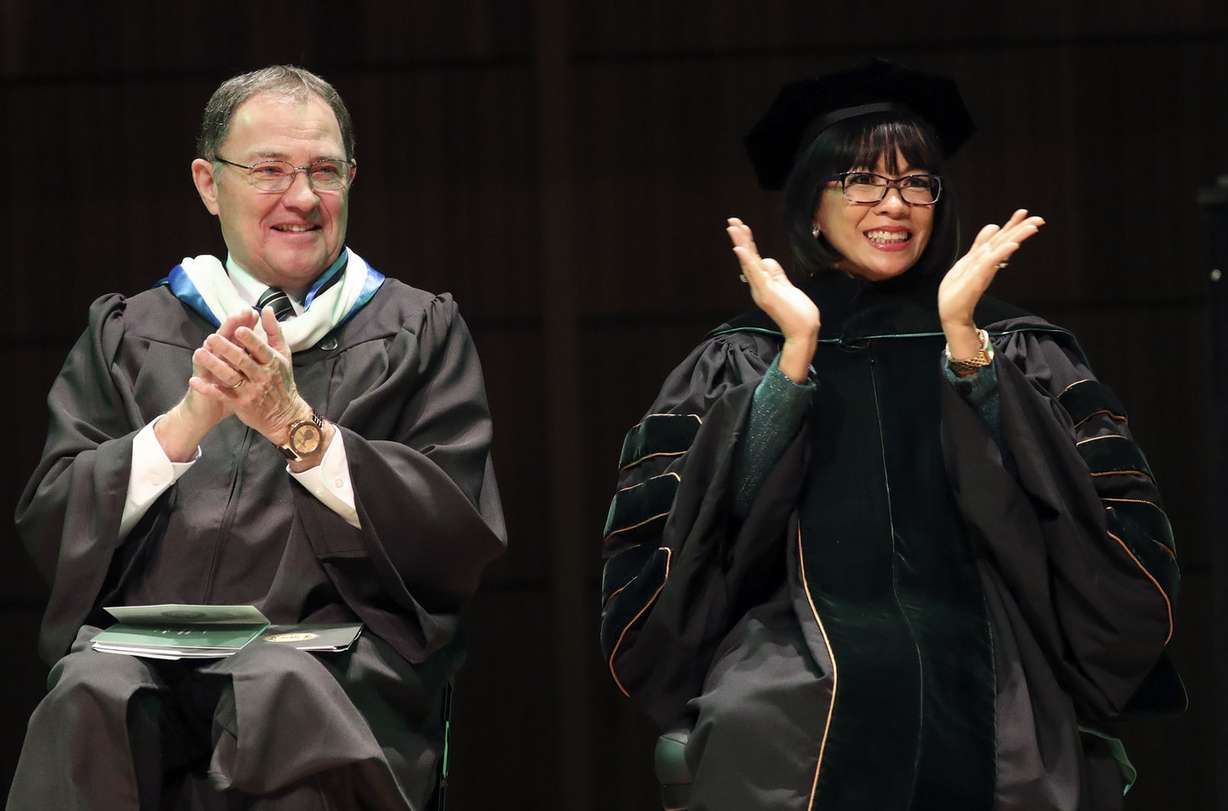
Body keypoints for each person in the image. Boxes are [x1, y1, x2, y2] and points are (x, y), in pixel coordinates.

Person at [599, 59, 1183, 811]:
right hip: (791, 649)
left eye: (916, 181)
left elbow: (1089, 511)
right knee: (762, 726)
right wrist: (796, 359)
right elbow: (701, 529)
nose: (894, 203)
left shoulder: (1012, 342)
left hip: (991, 648)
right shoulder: (744, 353)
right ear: (814, 204)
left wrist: (967, 347)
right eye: (862, 180)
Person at [9, 65, 505, 810]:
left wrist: (297, 430)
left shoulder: (417, 332)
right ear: (210, 184)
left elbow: (454, 532)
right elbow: (51, 518)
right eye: (270, 169)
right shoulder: (131, 333)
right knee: (89, 689)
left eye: (324, 172)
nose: (302, 198)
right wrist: (183, 427)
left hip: (329, 668)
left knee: (277, 687)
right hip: (148, 663)